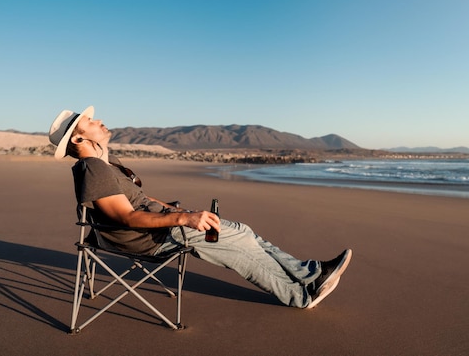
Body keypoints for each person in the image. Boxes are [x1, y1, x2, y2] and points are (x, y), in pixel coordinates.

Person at [49, 106, 352, 309]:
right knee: (236, 244)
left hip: (161, 225)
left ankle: (308, 273)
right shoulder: (93, 169)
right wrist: (183, 219)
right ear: (78, 137)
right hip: (146, 239)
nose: (99, 121)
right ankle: (299, 294)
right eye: (91, 122)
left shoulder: (105, 164)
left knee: (242, 231)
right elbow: (126, 217)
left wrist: (180, 211)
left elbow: (141, 201)